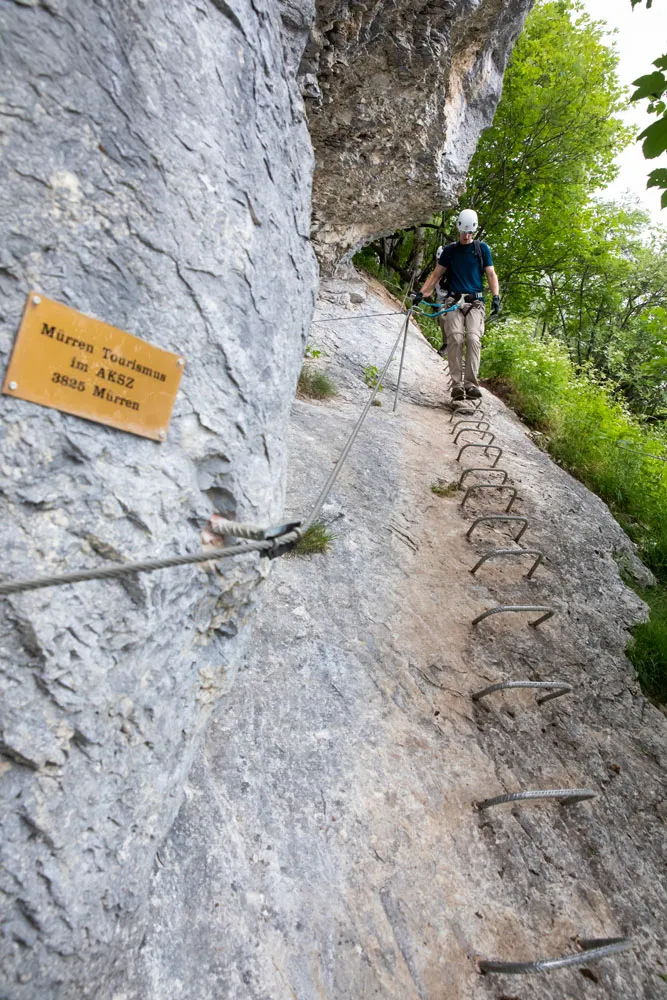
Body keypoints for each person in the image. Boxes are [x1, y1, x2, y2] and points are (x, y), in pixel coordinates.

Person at [414, 210, 500, 401]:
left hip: (475, 302)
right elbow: (436, 275)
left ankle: (470, 384)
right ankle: (456, 385)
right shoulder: (449, 251)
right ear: (458, 228)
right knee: (455, 338)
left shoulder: (481, 249)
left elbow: (491, 274)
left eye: (470, 232)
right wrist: (422, 293)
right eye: (464, 232)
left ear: (474, 231)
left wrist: (496, 297)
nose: (466, 235)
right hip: (453, 301)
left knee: (473, 339)